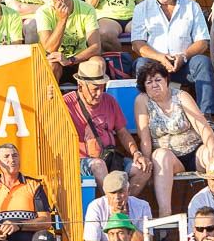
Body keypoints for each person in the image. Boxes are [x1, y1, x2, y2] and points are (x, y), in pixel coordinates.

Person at [134, 60, 214, 216]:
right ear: (144, 86)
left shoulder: (181, 96)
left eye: (158, 80)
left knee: (211, 156)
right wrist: (146, 160)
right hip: (170, 159)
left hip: (194, 152)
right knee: (160, 155)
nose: (154, 85)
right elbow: (145, 137)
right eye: (149, 82)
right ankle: (165, 214)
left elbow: (203, 127)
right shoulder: (142, 101)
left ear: (166, 80)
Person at [130, 0, 214, 118]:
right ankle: (145, 115)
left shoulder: (192, 6)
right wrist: (160, 57)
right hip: (155, 64)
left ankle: (206, 116)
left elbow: (202, 42)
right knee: (141, 64)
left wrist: (183, 56)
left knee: (202, 62)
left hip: (184, 63)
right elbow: (137, 44)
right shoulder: (141, 8)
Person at [62, 57, 151, 193]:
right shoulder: (66, 104)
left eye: (102, 87)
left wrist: (136, 153)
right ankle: (111, 208)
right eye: (95, 89)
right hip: (80, 162)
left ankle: (122, 207)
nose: (99, 93)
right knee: (98, 165)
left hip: (110, 157)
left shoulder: (109, 100)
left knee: (143, 168)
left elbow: (122, 132)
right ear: (80, 85)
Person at [36, 0, 100, 81]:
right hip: (56, 61)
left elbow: (96, 47)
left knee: (98, 63)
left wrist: (71, 60)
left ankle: (91, 97)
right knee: (51, 64)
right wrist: (62, 20)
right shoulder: (43, 12)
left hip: (79, 59)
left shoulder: (87, 9)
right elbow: (49, 49)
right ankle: (51, 97)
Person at [82, 171, 151, 241]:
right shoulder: (95, 207)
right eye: (113, 193)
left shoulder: (143, 206)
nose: (117, 197)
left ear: (128, 191)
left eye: (121, 192)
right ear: (106, 193)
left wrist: (125, 221)